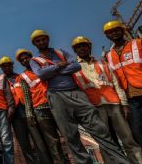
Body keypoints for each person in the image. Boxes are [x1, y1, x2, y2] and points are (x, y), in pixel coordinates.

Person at [29, 29, 129, 164]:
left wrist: (52, 71)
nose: (41, 42)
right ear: (34, 44)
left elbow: (76, 66)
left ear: (48, 39)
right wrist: (59, 66)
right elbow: (41, 74)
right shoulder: (34, 60)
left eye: (43, 39)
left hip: (76, 93)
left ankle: (121, 161)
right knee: (71, 136)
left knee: (99, 130)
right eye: (38, 40)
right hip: (56, 96)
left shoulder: (60, 52)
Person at [72, 36, 142, 164]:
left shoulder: (103, 63)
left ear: (89, 47)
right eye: (78, 47)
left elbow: (116, 84)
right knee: (105, 142)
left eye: (84, 45)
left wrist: (124, 104)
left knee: (127, 138)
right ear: (74, 50)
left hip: (113, 104)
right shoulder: (74, 69)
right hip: (94, 107)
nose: (82, 48)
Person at [15, 49, 68, 164]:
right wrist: (29, 114)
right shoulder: (23, 77)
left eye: (26, 58)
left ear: (31, 57)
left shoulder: (44, 67)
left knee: (68, 135)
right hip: (40, 110)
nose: (25, 61)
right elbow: (27, 97)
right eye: (22, 60)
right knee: (53, 141)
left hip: (56, 104)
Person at [104, 20, 142, 146]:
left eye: (116, 30)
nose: (114, 33)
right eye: (110, 32)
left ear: (123, 31)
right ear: (107, 36)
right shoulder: (109, 56)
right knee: (137, 132)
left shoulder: (137, 43)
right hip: (129, 98)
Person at [0, 56, 38, 164]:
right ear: (1, 68)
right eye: (4, 66)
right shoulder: (0, 81)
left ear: (12, 65)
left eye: (8, 65)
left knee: (37, 141)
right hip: (15, 116)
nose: (7, 68)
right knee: (24, 143)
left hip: (28, 111)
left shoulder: (20, 77)